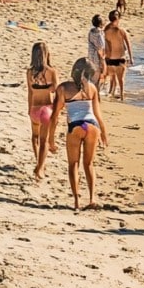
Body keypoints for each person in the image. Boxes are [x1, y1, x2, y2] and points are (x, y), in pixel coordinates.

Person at [48, 58, 108, 210]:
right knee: (89, 164)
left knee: (73, 164)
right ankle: (92, 198)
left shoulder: (63, 88)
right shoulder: (92, 89)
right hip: (92, 126)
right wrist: (104, 133)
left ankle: (76, 202)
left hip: (75, 125)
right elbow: (97, 114)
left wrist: (51, 139)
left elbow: (55, 116)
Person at [26, 42, 59, 180]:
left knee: (35, 137)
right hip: (46, 109)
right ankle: (40, 168)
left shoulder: (29, 72)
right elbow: (57, 92)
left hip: (34, 108)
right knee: (44, 140)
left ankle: (39, 161)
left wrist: (29, 109)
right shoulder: (51, 72)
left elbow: (30, 92)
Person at [102, 10, 134, 100]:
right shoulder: (121, 30)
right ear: (118, 18)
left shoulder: (106, 31)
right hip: (120, 58)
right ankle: (122, 96)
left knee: (112, 77)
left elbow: (105, 45)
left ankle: (111, 92)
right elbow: (128, 44)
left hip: (110, 59)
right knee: (121, 80)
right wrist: (131, 57)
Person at [86, 14, 107, 87]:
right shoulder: (99, 34)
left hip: (91, 55)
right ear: (101, 24)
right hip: (97, 57)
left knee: (92, 76)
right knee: (97, 77)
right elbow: (100, 49)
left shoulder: (91, 31)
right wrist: (102, 62)